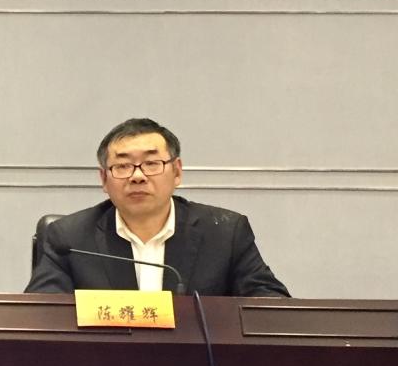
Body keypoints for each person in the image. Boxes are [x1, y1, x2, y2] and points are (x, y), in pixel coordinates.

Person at [26, 118, 289, 296]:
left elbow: (270, 308)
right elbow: (40, 317)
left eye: (152, 164)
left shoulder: (224, 233)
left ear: (177, 172)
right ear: (104, 179)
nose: (137, 176)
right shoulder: (70, 238)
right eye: (123, 166)